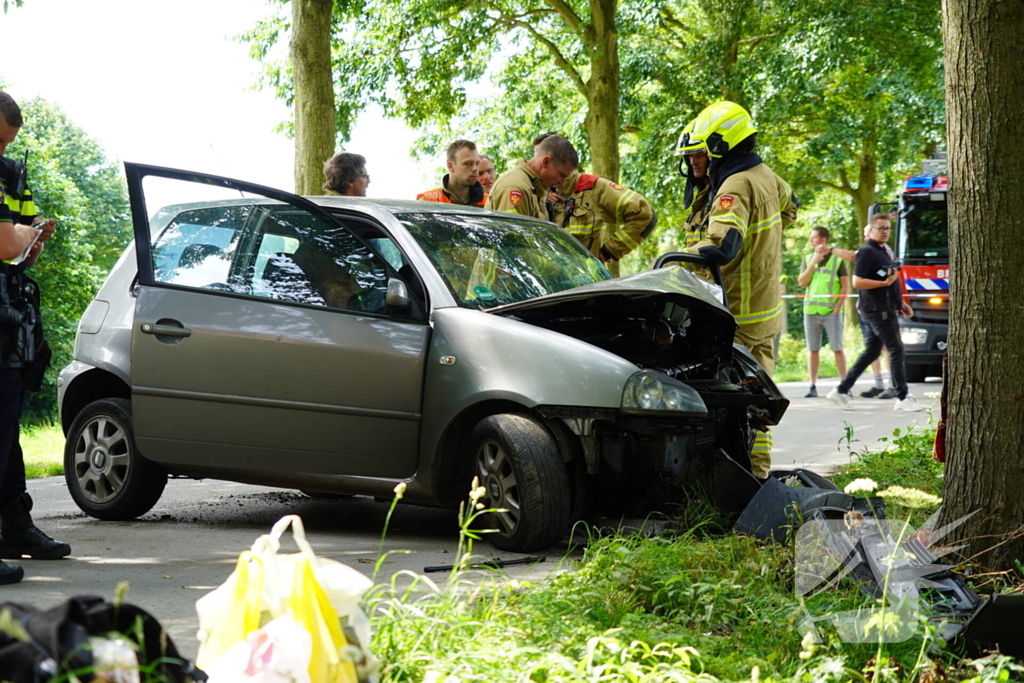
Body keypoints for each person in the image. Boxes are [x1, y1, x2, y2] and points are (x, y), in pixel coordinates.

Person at [682, 101, 798, 478]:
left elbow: (724, 245)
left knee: (740, 402)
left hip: (738, 315)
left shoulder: (734, 184)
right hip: (765, 310)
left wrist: (677, 259)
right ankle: (757, 475)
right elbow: (790, 209)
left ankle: (749, 479)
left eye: (702, 150)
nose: (696, 160)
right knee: (758, 395)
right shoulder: (766, 175)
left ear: (720, 144)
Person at [0, 92, 71, 585]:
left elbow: (18, 252)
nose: (5, 150)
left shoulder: (11, 174)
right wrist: (23, 237)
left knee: (7, 427)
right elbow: (7, 241)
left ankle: (16, 528)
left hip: (7, 315)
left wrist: (33, 241)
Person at [826, 214, 925, 412]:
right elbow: (857, 281)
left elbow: (891, 279)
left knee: (872, 351)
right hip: (876, 310)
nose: (885, 232)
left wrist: (900, 303)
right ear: (869, 230)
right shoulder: (867, 251)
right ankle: (903, 396)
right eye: (880, 228)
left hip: (885, 307)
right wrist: (883, 283)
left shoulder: (883, 251)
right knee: (896, 349)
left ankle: (841, 390)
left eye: (887, 228)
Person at [549, 169, 656, 276]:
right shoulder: (536, 191)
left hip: (584, 283)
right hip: (544, 284)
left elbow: (644, 215)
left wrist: (610, 250)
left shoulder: (592, 188)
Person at [797, 226, 849, 397]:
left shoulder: (838, 260)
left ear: (823, 240)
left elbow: (845, 286)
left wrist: (837, 309)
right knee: (813, 349)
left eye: (814, 238)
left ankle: (845, 385)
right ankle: (812, 386)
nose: (811, 241)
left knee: (837, 348)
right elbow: (802, 283)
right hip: (811, 311)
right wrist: (813, 261)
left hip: (830, 312)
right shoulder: (807, 258)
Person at [485, 134, 578, 220]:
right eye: (561, 175)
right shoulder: (516, 187)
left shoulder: (535, 187)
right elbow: (512, 234)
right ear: (545, 162)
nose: (562, 182)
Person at [417, 139, 488, 206]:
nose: (475, 169)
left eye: (477, 163)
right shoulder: (428, 202)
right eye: (468, 163)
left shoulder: (488, 201)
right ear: (450, 166)